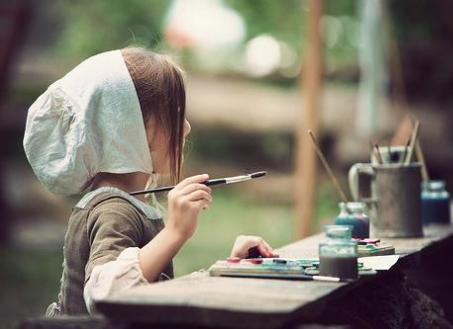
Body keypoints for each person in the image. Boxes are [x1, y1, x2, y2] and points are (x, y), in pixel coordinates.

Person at [23, 47, 278, 316]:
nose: (186, 126)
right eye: (175, 113)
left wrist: (231, 264)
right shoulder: (114, 210)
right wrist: (175, 233)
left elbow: (157, 294)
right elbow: (105, 295)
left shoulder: (127, 202)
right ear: (130, 126)